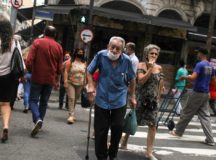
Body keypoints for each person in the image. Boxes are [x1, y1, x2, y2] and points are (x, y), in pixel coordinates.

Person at [87, 36, 137, 160]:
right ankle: (101, 156)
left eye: (118, 48)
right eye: (112, 47)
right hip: (102, 97)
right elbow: (89, 71)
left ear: (122, 50)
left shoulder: (126, 61)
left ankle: (112, 154)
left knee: (117, 128)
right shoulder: (100, 55)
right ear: (108, 46)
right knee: (100, 130)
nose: (114, 50)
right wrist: (91, 85)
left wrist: (133, 96)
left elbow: (132, 78)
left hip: (119, 99)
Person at [170, 48, 215, 146]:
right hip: (206, 93)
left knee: (187, 112)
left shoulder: (199, 65)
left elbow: (193, 77)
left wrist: (184, 77)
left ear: (201, 54)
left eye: (198, 53)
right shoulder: (210, 66)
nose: (197, 54)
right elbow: (213, 81)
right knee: (205, 116)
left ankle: (178, 132)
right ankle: (210, 139)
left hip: (197, 92)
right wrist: (203, 82)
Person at [26, 25, 63, 137]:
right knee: (44, 102)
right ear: (55, 35)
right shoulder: (59, 47)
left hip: (37, 77)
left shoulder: (37, 42)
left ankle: (37, 119)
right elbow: (60, 68)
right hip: (50, 79)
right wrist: (56, 80)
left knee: (33, 100)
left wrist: (31, 71)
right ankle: (39, 121)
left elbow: (28, 61)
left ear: (44, 32)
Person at [135, 44, 164, 160]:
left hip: (153, 101)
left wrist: (159, 96)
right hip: (141, 99)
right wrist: (150, 68)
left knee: (153, 125)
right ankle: (124, 140)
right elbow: (141, 80)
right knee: (134, 122)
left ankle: (149, 152)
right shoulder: (141, 65)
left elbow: (160, 83)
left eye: (156, 54)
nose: (154, 55)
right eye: (152, 53)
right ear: (147, 54)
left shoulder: (159, 68)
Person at [0, 15, 23, 143]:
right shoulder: (14, 42)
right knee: (5, 104)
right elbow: (20, 61)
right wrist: (22, 76)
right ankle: (5, 127)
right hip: (8, 77)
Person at [120, 42, 139, 149]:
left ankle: (123, 141)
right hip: (124, 85)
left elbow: (132, 75)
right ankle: (122, 141)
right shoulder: (127, 57)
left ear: (130, 48)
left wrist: (130, 89)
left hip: (127, 86)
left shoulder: (134, 60)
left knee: (126, 112)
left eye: (126, 47)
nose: (125, 49)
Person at [64, 48, 87, 124]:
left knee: (75, 99)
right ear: (75, 53)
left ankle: (72, 113)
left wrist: (85, 84)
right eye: (79, 52)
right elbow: (66, 72)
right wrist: (65, 82)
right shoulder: (70, 62)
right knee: (71, 98)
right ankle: (71, 115)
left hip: (80, 84)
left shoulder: (84, 63)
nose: (80, 53)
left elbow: (85, 74)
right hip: (71, 82)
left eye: (81, 52)